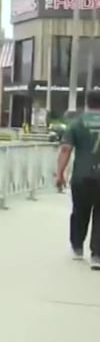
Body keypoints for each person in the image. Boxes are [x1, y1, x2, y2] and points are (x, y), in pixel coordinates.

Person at [55, 88, 100, 270]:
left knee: (79, 211)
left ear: (86, 102)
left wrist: (60, 174)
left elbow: (66, 149)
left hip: (81, 177)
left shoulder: (77, 123)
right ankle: (97, 255)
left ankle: (77, 247)